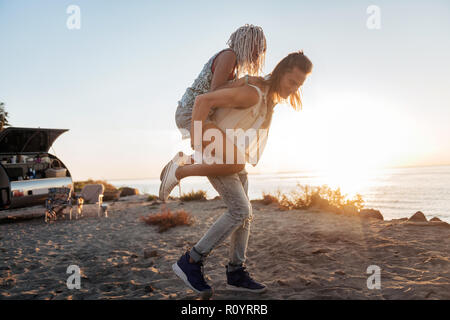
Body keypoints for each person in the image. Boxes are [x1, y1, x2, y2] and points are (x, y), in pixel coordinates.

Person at [163, 51, 313, 295]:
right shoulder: (253, 93)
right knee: (240, 210)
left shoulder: (266, 97)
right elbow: (202, 101)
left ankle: (236, 271)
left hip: (232, 152)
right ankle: (191, 261)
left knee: (246, 214)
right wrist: (200, 141)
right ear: (279, 74)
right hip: (217, 148)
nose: (294, 89)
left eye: (299, 85)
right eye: (292, 82)